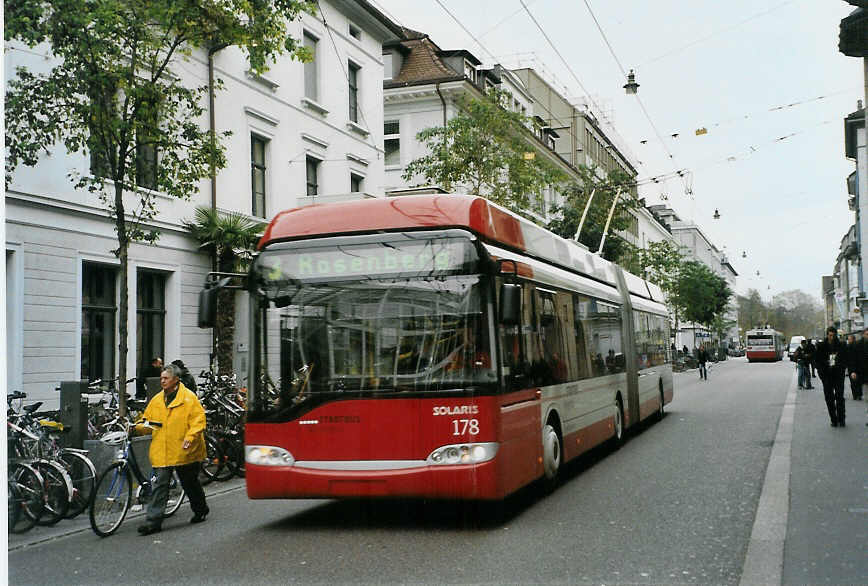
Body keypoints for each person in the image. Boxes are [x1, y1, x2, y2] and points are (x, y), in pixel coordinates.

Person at [135, 363, 209, 535]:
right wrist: (138, 427)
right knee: (160, 484)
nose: (162, 381)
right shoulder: (157, 400)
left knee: (189, 482)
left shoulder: (189, 398)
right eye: (161, 378)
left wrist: (190, 438)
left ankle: (200, 509)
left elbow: (198, 421)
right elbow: (148, 421)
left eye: (166, 378)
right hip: (163, 449)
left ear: (176, 380)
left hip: (184, 449)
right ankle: (153, 522)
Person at [815, 326, 847, 427]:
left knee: (839, 397)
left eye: (833, 335)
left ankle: (841, 419)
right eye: (830, 335)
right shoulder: (821, 346)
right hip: (827, 376)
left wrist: (841, 368)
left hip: (838, 375)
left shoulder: (841, 345)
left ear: (836, 335)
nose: (831, 337)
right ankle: (833, 419)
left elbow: (845, 359)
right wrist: (821, 374)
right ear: (827, 335)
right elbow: (817, 361)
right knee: (829, 398)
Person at [845, 334, 862, 400]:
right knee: (858, 381)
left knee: (853, 382)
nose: (848, 340)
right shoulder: (858, 346)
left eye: (849, 339)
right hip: (858, 366)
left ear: (853, 339)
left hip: (851, 366)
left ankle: (855, 395)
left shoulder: (849, 346)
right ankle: (859, 394)